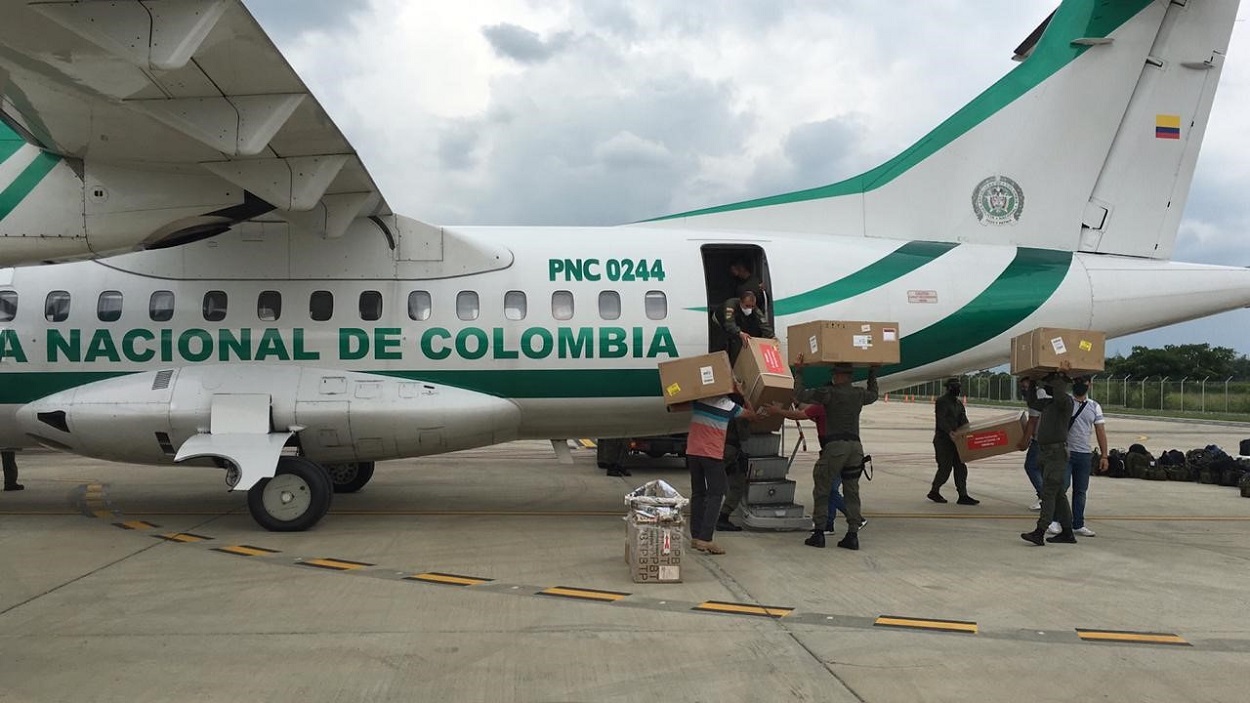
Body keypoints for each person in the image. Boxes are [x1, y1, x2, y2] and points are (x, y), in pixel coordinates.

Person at [789, 355, 878, 550]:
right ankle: (852, 534)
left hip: (835, 447)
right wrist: (872, 371)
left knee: (822, 488)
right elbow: (874, 394)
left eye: (835, 374)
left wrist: (799, 371)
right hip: (856, 448)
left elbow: (800, 394)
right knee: (852, 491)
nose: (834, 378)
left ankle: (819, 533)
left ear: (840, 376)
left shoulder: (828, 393)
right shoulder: (859, 394)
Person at [685, 386, 767, 555]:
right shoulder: (728, 406)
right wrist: (743, 394)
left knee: (698, 493)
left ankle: (695, 536)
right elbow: (753, 416)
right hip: (711, 454)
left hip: (692, 452)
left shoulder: (700, 401)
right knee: (717, 493)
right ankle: (706, 539)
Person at [769, 400, 866, 535]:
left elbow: (800, 415)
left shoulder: (822, 406)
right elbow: (809, 411)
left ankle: (856, 518)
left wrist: (778, 411)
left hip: (836, 454)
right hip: (853, 452)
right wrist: (797, 403)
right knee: (832, 489)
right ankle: (829, 525)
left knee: (828, 489)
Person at [1020, 361, 1076, 546]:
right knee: (1058, 494)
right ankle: (1068, 532)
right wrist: (1032, 383)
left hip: (1056, 454)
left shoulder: (1065, 402)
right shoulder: (1049, 403)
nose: (1048, 387)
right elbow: (1032, 402)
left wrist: (1060, 375)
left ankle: (1040, 531)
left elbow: (1060, 393)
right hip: (1047, 454)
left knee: (1048, 493)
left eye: (1049, 384)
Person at [1049, 378, 1107, 538]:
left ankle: (1078, 524)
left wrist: (1104, 455)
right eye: (1078, 381)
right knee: (1062, 487)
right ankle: (1055, 520)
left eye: (1085, 382)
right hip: (1066, 453)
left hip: (1084, 454)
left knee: (1081, 491)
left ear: (1090, 385)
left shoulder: (1094, 406)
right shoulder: (1066, 403)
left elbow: (1100, 431)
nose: (1082, 385)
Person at [927, 377, 980, 505]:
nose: (958, 389)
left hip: (957, 441)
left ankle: (963, 495)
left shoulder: (958, 403)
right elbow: (941, 419)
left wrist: (969, 431)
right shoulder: (942, 402)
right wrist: (950, 432)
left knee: (961, 467)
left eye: (959, 387)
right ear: (949, 388)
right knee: (945, 468)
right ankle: (934, 491)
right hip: (943, 440)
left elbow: (964, 419)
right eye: (955, 387)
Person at [716, 393, 752, 532]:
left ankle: (705, 516)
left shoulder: (719, 404)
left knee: (713, 484)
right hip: (730, 450)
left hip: (715, 447)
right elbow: (744, 435)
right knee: (737, 485)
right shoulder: (738, 411)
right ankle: (723, 517)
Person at [721, 290, 773, 365]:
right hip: (721, 324)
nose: (750, 309)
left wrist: (772, 336)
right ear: (741, 302)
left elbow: (762, 322)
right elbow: (729, 324)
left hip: (736, 325)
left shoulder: (753, 307)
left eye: (752, 306)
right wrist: (740, 333)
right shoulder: (730, 305)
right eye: (747, 306)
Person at [1016, 377, 1043, 510]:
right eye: (1022, 387)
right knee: (1042, 469)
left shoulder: (1036, 398)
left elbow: (1032, 421)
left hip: (1040, 440)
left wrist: (1024, 441)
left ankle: (1043, 496)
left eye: (1025, 387)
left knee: (1031, 466)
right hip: (1049, 439)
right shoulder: (1045, 394)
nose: (1023, 390)